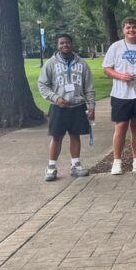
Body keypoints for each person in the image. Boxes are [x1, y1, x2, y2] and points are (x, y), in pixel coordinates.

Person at [102, 17, 136, 175]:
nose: (131, 30)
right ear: (123, 30)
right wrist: (120, 76)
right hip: (121, 94)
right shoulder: (116, 47)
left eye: (134, 27)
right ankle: (117, 162)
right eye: (128, 27)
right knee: (120, 126)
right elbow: (106, 68)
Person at [38, 33, 95, 181]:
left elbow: (89, 87)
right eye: (61, 43)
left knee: (75, 135)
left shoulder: (82, 64)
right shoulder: (50, 64)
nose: (65, 45)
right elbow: (42, 85)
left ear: (71, 44)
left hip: (78, 105)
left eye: (67, 42)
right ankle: (51, 167)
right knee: (57, 137)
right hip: (59, 107)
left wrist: (91, 105)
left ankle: (75, 165)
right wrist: (55, 98)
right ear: (58, 45)